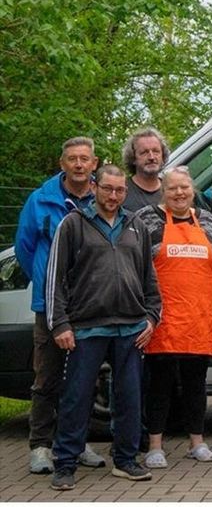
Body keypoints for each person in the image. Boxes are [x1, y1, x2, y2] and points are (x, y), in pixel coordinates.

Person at [46, 164, 162, 490]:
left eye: (120, 190)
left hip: (131, 328)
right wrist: (60, 325)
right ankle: (65, 463)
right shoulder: (73, 224)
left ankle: (125, 461)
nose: (114, 196)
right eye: (108, 189)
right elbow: (54, 279)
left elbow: (149, 279)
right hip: (86, 328)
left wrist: (152, 317)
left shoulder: (136, 224)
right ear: (95, 186)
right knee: (76, 398)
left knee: (129, 398)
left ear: (126, 191)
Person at [14, 136, 105, 474]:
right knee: (47, 376)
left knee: (85, 378)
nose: (79, 164)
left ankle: (76, 442)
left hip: (90, 303)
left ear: (94, 164)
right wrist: (47, 279)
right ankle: (40, 445)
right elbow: (24, 249)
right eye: (72, 159)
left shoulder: (103, 198)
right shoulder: (40, 201)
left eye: (85, 159)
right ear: (62, 163)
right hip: (51, 305)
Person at [134, 167, 212, 469]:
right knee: (159, 383)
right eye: (173, 188)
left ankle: (197, 442)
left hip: (199, 316)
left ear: (193, 189)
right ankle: (155, 445)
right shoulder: (148, 219)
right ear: (163, 190)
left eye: (185, 187)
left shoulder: (208, 220)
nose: (179, 193)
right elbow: (139, 263)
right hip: (163, 317)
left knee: (196, 383)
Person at [122, 127, 170, 212]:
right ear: (133, 158)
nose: (151, 157)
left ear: (163, 156)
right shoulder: (121, 191)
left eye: (156, 151)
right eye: (144, 152)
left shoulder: (173, 190)